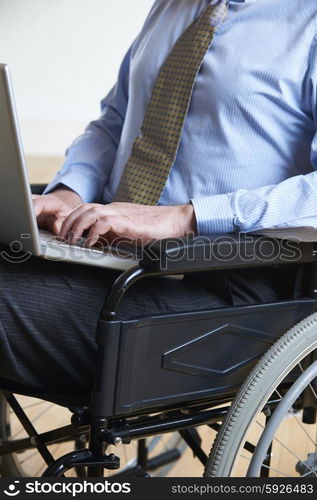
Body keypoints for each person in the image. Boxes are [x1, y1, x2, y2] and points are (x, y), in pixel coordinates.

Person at [1, 0, 317, 407]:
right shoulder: (172, 6)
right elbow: (114, 122)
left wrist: (186, 218)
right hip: (108, 255)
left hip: (225, 286)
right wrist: (69, 192)